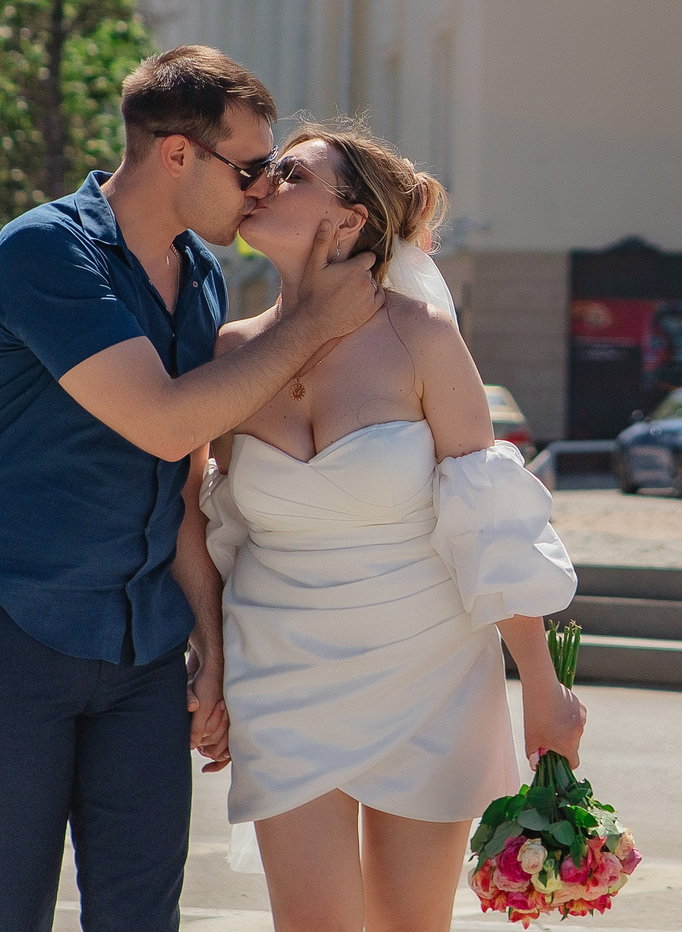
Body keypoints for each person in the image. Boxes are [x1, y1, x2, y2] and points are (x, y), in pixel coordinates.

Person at [0, 47, 382, 932]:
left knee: (142, 916)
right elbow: (167, 421)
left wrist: (209, 644)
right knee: (4, 908)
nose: (259, 190)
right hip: (12, 627)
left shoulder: (200, 275)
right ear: (178, 154)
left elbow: (182, 478)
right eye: (250, 167)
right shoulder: (45, 251)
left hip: (140, 648)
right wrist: (316, 319)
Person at [178, 121, 584, 932]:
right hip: (281, 671)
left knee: (408, 923)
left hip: (427, 669)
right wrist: (208, 655)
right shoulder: (229, 348)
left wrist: (544, 686)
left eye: (290, 172)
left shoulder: (423, 338)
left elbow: (489, 520)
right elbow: (201, 519)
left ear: (351, 217)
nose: (260, 181)